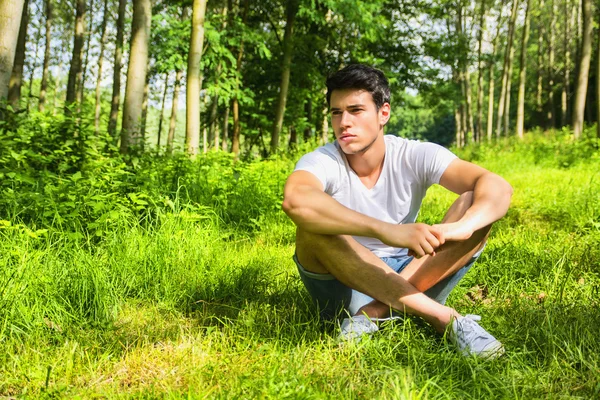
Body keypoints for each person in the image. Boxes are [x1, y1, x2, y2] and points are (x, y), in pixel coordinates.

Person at [281, 64, 513, 358]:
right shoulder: (322, 160)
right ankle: (445, 318)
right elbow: (296, 200)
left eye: (355, 110)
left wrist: (463, 227)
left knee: (472, 201)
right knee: (313, 224)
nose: (344, 122)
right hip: (345, 283)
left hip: (412, 272)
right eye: (336, 113)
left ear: (384, 114)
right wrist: (387, 230)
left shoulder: (413, 154)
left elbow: (497, 186)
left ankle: (374, 313)